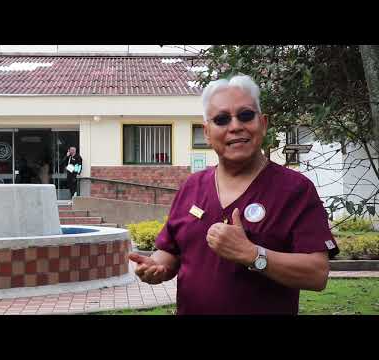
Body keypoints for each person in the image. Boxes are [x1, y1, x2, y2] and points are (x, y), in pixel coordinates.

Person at [128, 75, 339, 315]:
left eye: (246, 115)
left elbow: (317, 274)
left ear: (263, 123)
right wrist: (157, 267)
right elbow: (171, 251)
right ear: (207, 132)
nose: (235, 126)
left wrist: (252, 255)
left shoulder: (295, 190)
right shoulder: (192, 187)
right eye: (222, 119)